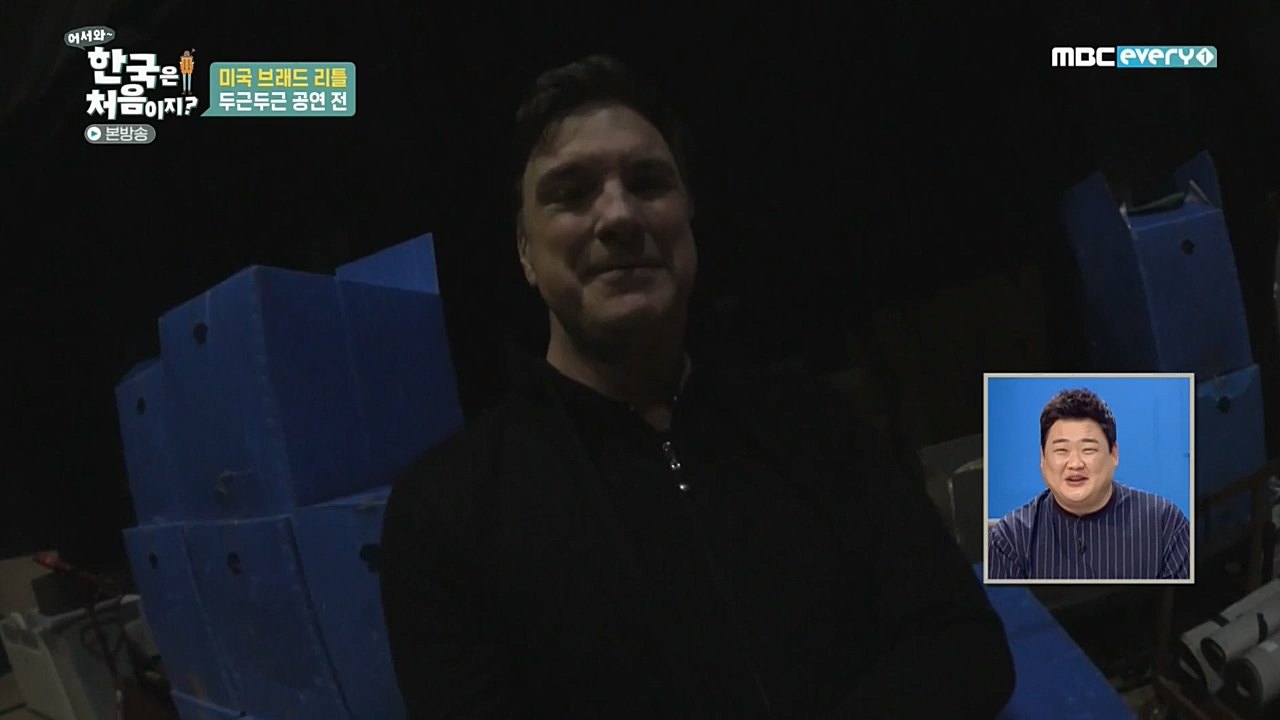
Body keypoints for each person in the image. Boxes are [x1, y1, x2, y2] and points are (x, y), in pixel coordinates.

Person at [379, 54, 1015, 719]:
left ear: (688, 221)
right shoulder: (448, 514)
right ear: (525, 253)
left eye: (648, 183)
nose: (619, 216)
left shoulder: (820, 430)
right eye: (572, 192)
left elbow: (963, 645)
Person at [987, 388, 1192, 581]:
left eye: (1088, 450)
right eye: (1061, 451)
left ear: (1114, 454)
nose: (1075, 464)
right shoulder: (1011, 538)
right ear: (1042, 458)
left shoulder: (1165, 525)